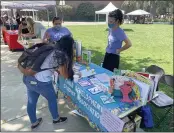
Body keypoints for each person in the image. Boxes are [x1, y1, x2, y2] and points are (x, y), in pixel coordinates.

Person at [18, 35, 74, 129]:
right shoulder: (61, 55)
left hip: (28, 78)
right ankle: (56, 119)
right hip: (41, 82)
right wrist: (73, 74)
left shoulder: (49, 47)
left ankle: (34, 122)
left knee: (31, 101)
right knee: (52, 99)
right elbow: (64, 75)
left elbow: (47, 64)